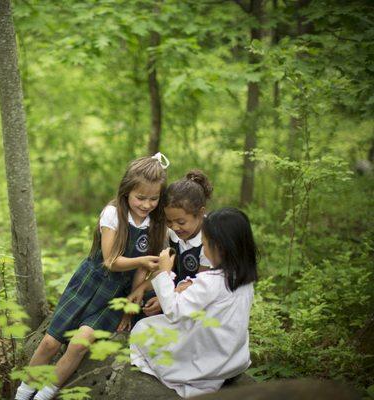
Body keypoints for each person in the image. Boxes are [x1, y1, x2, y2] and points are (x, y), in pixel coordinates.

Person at [14, 154, 169, 400]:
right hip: (90, 282)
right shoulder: (113, 213)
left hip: (117, 294)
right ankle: (23, 393)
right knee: (50, 343)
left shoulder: (155, 224)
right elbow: (110, 260)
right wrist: (141, 260)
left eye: (154, 198)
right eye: (140, 197)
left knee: (78, 344)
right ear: (126, 191)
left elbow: (141, 271)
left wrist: (131, 303)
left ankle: (45, 394)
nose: (146, 204)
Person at [130, 207, 259, 398]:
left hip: (208, 361)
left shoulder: (212, 281)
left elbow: (174, 310)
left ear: (220, 248)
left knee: (142, 329)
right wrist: (183, 286)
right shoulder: (243, 280)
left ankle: (191, 375)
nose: (204, 249)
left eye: (205, 245)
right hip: (232, 357)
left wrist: (165, 272)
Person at [118, 170, 213, 330]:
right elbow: (164, 270)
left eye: (181, 222)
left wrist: (165, 298)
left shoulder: (210, 242)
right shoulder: (172, 235)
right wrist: (141, 289)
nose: (175, 227)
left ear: (200, 213)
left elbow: (201, 286)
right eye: (169, 221)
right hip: (172, 291)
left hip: (196, 300)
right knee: (142, 304)